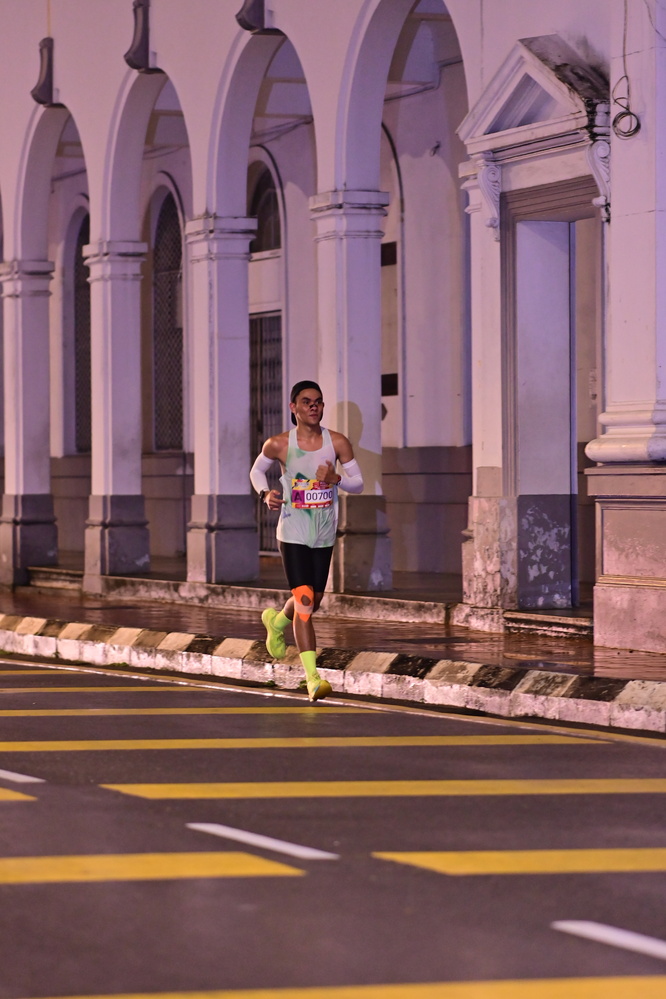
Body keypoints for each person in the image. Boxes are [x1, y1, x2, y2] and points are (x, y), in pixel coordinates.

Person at [250, 380, 364, 701]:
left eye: (318, 401)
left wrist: (336, 479)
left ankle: (276, 622)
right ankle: (313, 678)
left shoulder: (337, 442)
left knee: (313, 601)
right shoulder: (279, 444)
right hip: (293, 532)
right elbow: (257, 472)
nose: (313, 406)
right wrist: (265, 494)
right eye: (306, 401)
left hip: (323, 534)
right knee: (304, 601)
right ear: (294, 408)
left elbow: (358, 483)